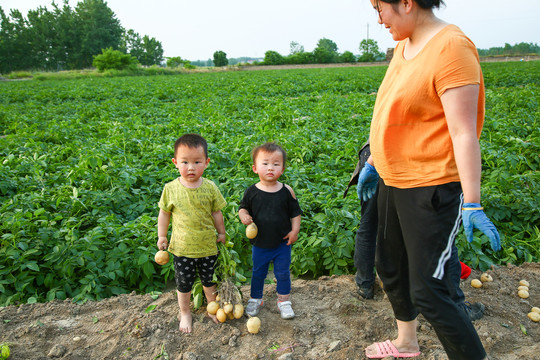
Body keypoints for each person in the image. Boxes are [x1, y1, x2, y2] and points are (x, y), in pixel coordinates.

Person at [357, 1, 501, 359]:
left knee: (430, 291)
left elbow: (464, 132)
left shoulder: (451, 47)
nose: (379, 19)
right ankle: (406, 343)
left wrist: (471, 200)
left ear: (406, 3)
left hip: (431, 187)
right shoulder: (405, 45)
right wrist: (375, 160)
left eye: (380, 8)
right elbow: (398, 112)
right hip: (393, 179)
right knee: (389, 266)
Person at [344, 141, 485, 323]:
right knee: (440, 231)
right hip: (411, 154)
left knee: (371, 223)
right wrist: (472, 199)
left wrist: (372, 161)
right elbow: (462, 137)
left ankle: (365, 285)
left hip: (381, 149)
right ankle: (455, 305)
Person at [157, 133, 227, 333]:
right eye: (185, 162)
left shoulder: (210, 187)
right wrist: (162, 236)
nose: (191, 167)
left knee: (209, 282)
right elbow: (164, 214)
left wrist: (221, 233)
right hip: (182, 248)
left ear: (206, 162)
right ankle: (185, 312)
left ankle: (212, 309)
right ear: (175, 163)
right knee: (184, 284)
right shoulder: (170, 189)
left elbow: (217, 213)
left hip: (207, 246)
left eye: (197, 162)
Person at [238, 142, 303, 320]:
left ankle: (284, 301)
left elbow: (295, 214)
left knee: (282, 273)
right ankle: (256, 298)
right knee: (258, 273)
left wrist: (294, 231)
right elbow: (243, 208)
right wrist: (243, 216)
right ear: (255, 168)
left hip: (282, 243)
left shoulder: (286, 191)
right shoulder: (251, 192)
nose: (270, 168)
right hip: (260, 244)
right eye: (265, 163)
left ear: (282, 169)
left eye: (276, 164)